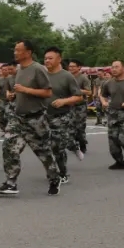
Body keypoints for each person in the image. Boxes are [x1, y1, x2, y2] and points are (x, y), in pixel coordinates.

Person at [0, 39, 61, 196]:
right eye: (15, 50)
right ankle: (11, 183)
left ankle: (54, 178)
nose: (15, 53)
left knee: (43, 152)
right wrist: (15, 95)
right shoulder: (19, 70)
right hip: (18, 118)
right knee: (8, 147)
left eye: (18, 50)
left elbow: (47, 92)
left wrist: (25, 89)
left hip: (36, 119)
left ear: (28, 52)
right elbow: (22, 92)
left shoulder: (38, 69)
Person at [43, 46, 83, 184]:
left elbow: (78, 97)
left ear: (59, 59)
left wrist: (64, 101)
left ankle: (62, 173)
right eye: (45, 58)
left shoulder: (67, 76)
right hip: (43, 116)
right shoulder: (42, 74)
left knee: (57, 146)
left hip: (61, 116)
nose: (47, 61)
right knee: (45, 146)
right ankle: (73, 145)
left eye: (50, 58)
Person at [67, 59, 92, 158]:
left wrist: (78, 90)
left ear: (79, 67)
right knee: (70, 126)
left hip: (80, 106)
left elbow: (89, 92)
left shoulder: (83, 78)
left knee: (80, 126)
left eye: (73, 66)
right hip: (69, 105)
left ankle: (82, 144)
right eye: (70, 66)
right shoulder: (67, 77)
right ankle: (74, 144)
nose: (71, 68)